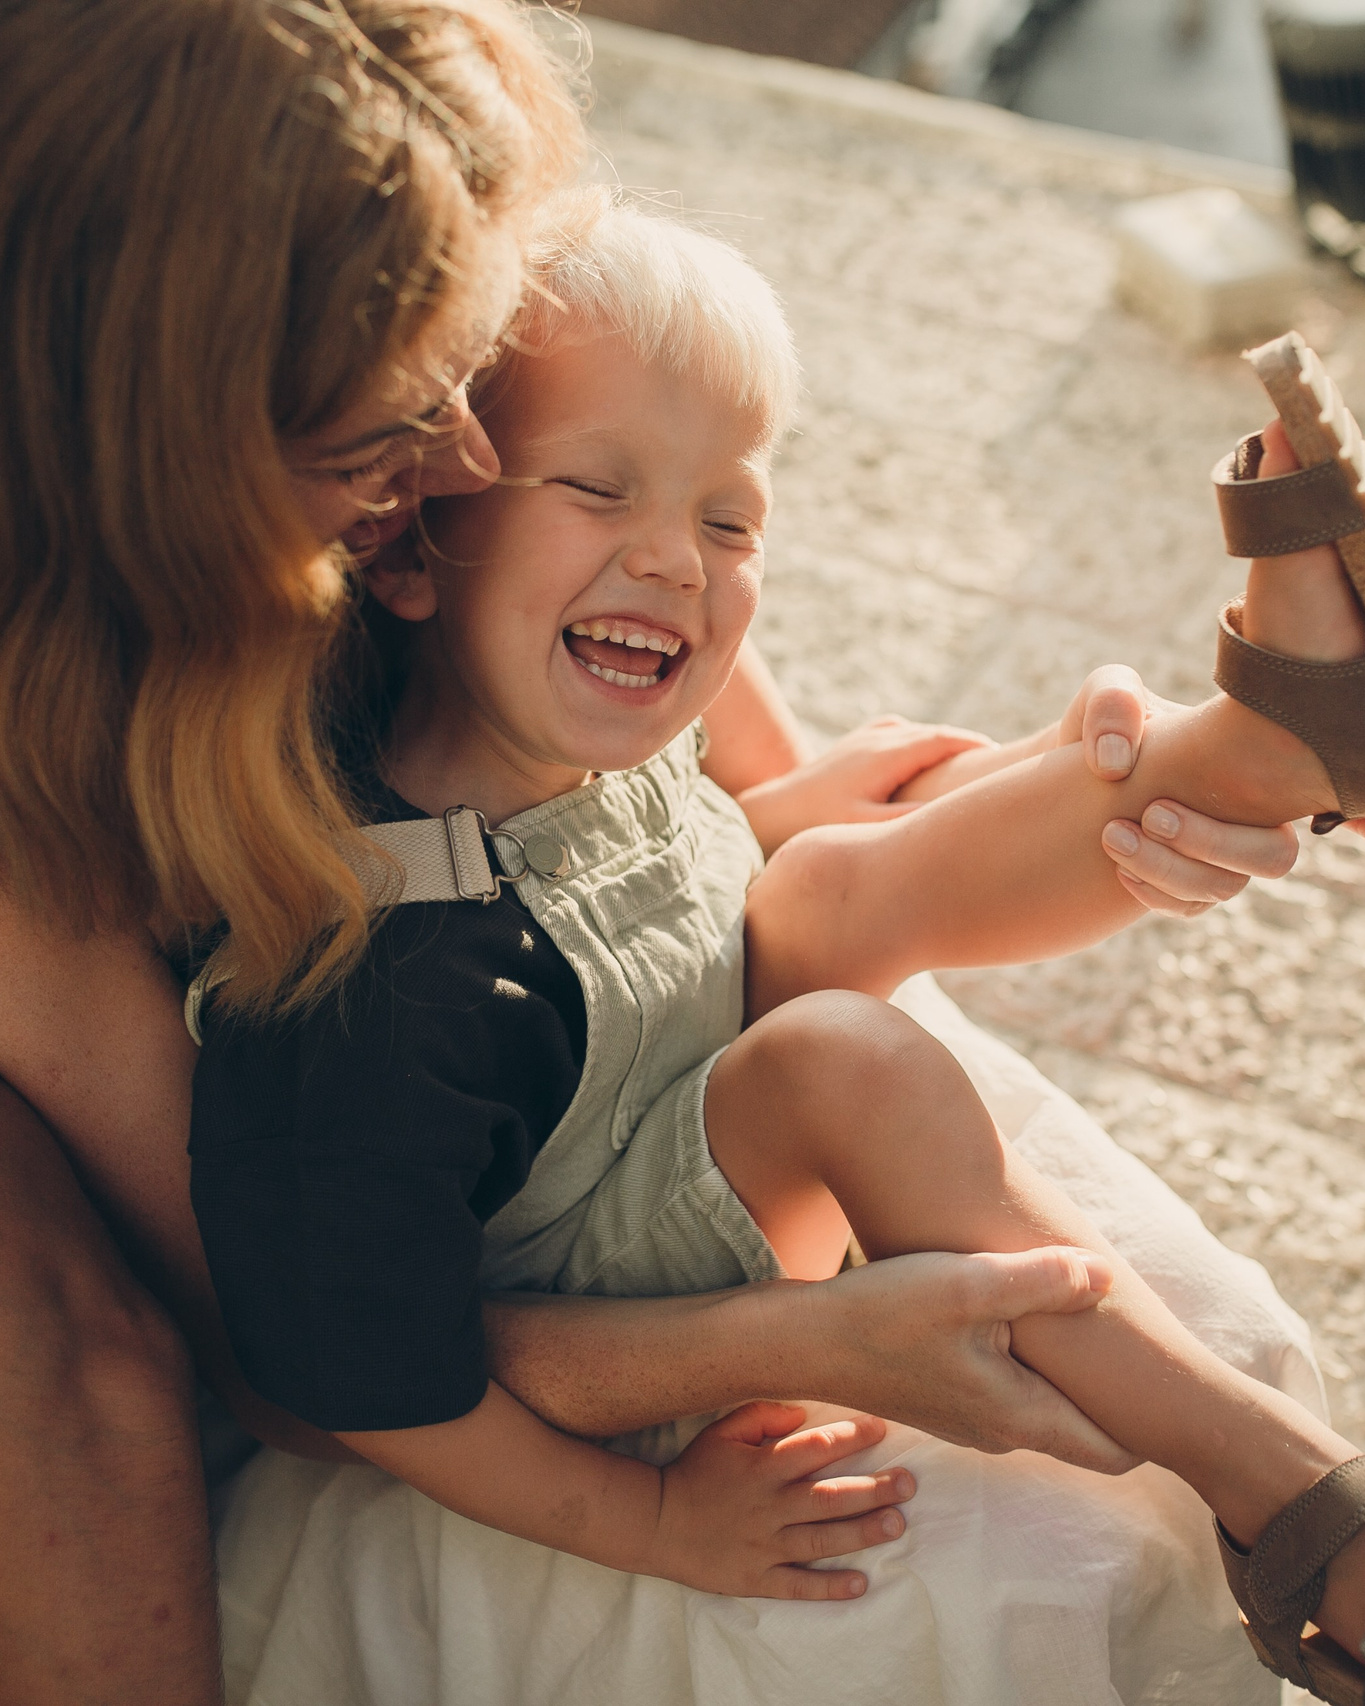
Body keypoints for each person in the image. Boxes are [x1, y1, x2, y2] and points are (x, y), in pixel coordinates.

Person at [0, 3, 1306, 1699]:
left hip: (617, 1084)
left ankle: (1270, 745)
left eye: (465, 377)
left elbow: (745, 828)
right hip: (452, 1300)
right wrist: (801, 1343)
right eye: (381, 434)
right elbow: (308, 1358)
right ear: (184, 448)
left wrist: (1077, 786)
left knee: (883, 988)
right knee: (1005, 1578)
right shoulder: (64, 804)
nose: (467, 458)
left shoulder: (425, 474)